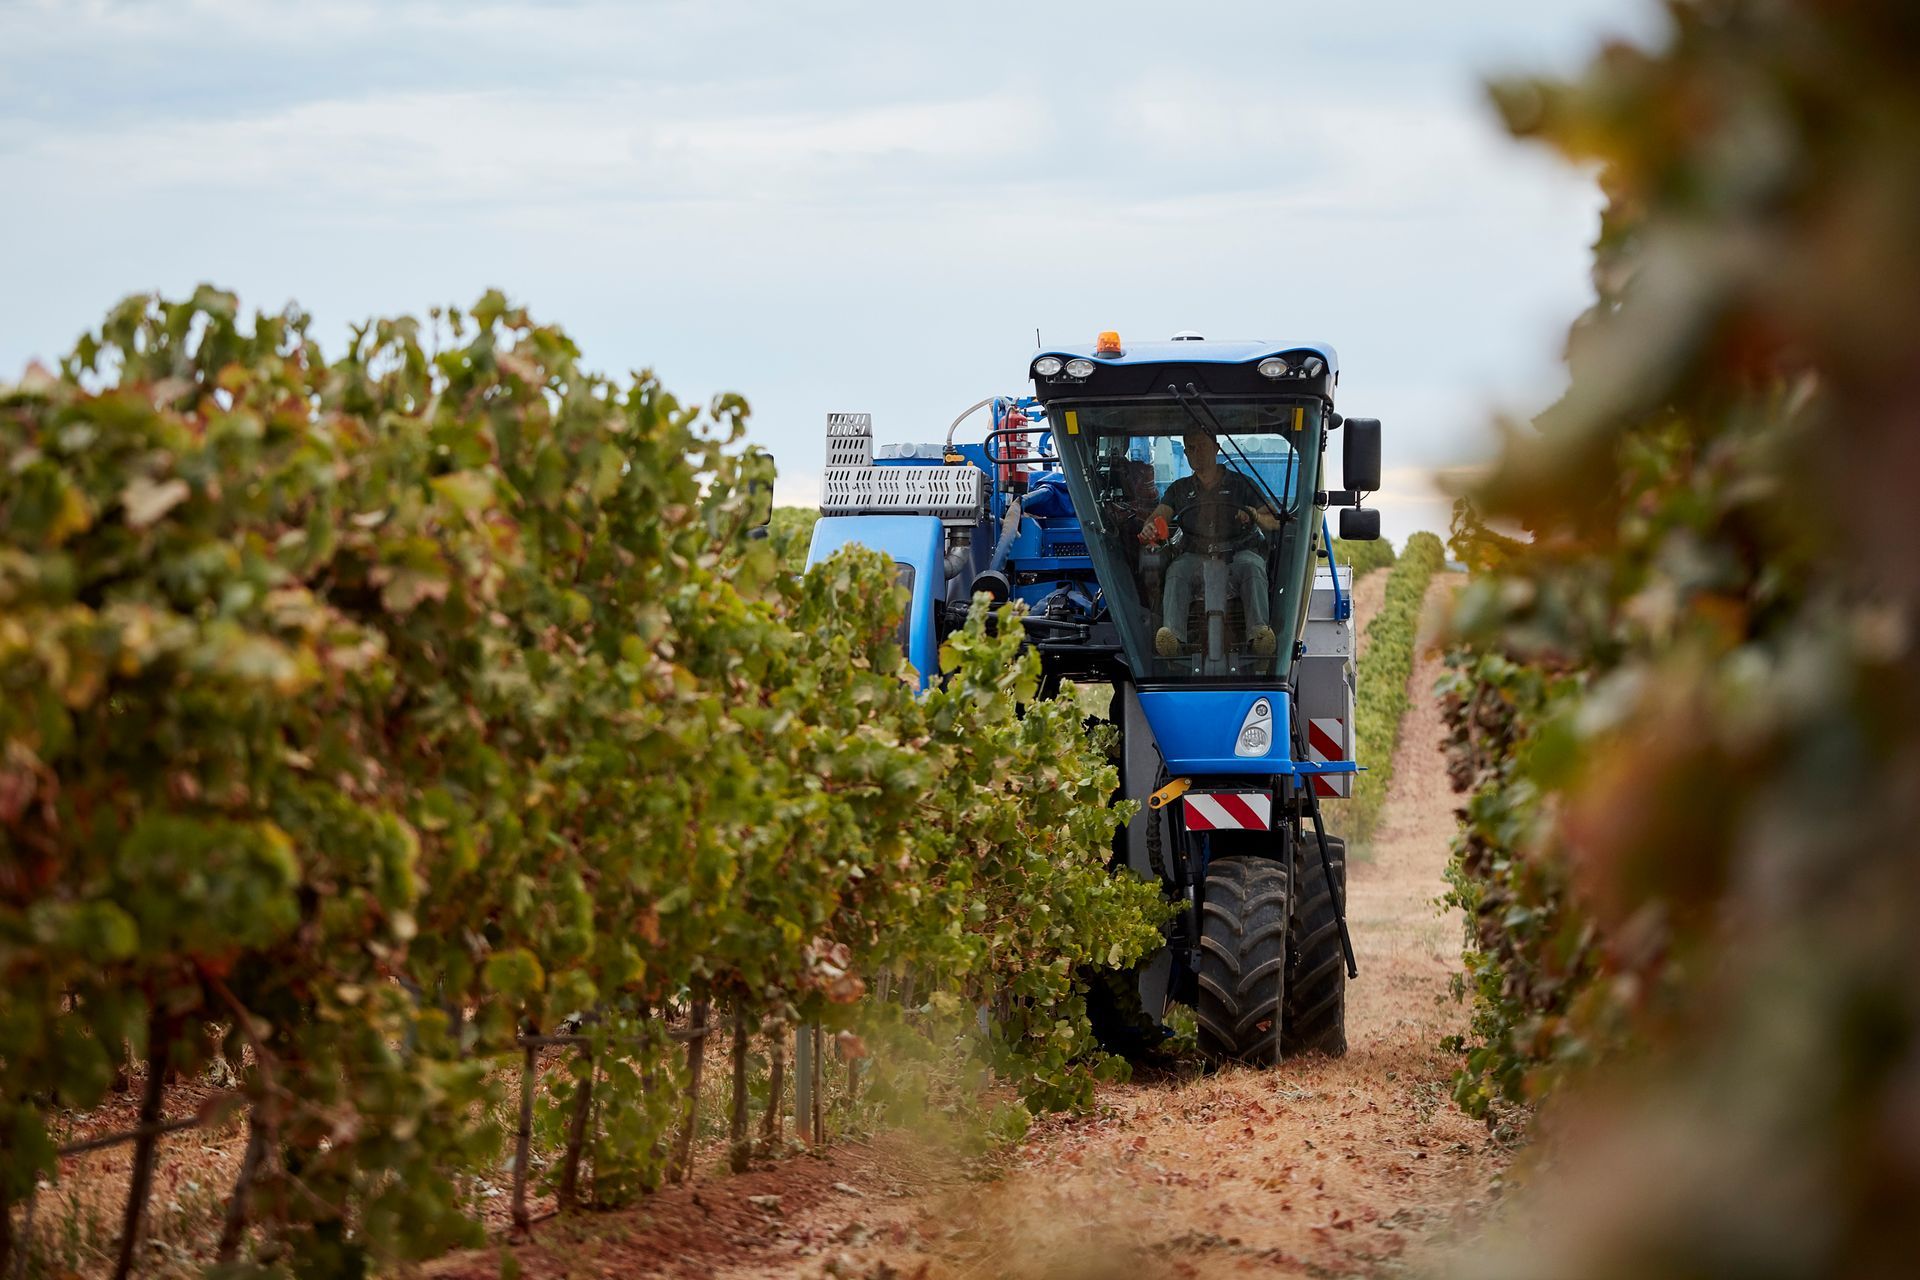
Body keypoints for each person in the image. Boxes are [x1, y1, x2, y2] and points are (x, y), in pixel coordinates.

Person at [1138, 430, 1282, 657]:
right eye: (1191, 449)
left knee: (1253, 566)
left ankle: (1259, 638)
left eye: (1202, 446)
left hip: (1238, 553)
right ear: (1185, 454)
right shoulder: (1179, 489)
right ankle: (1172, 641)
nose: (1197, 453)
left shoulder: (1241, 483)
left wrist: (1254, 514)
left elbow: (1275, 521)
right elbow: (1157, 519)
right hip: (1195, 556)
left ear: (1216, 448)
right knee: (1176, 571)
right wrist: (1150, 528)